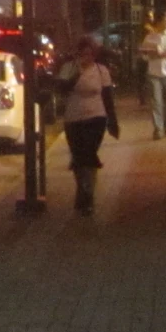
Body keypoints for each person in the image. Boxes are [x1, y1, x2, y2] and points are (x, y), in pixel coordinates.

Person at [58, 35, 118, 215]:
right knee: (78, 156)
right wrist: (78, 72)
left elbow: (107, 97)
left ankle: (88, 194)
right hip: (73, 118)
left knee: (89, 153)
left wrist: (113, 121)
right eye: (83, 54)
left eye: (90, 54)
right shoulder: (68, 69)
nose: (87, 58)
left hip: (96, 118)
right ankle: (82, 189)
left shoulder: (101, 71)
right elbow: (62, 90)